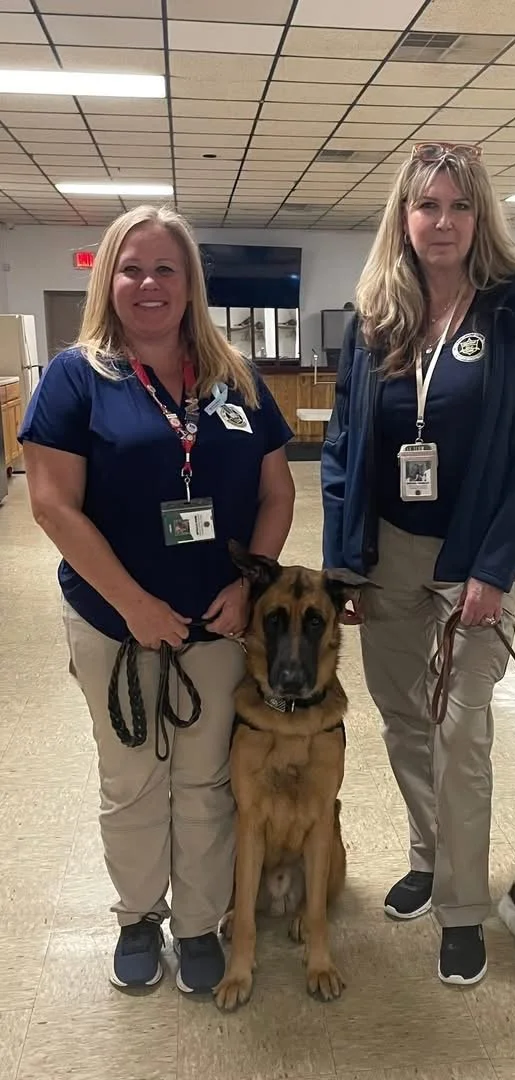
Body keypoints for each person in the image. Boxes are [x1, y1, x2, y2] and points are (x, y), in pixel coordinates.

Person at [321, 142, 515, 987]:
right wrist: (343, 564)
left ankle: (462, 908)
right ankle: (430, 856)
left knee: (461, 732)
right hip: (387, 549)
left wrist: (496, 570)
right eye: (426, 206)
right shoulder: (374, 314)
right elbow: (345, 445)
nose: (442, 222)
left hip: (476, 552)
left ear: (480, 218)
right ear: (404, 215)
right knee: (403, 720)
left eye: (458, 207)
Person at [19, 205, 295, 994]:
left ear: (189, 284)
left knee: (207, 781)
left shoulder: (234, 376)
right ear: (109, 278)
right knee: (132, 777)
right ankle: (139, 915)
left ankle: (200, 923)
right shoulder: (78, 376)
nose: (148, 284)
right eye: (132, 268)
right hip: (113, 622)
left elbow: (278, 493)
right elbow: (51, 504)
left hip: (217, 623)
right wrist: (135, 604)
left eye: (165, 269)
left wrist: (251, 584)